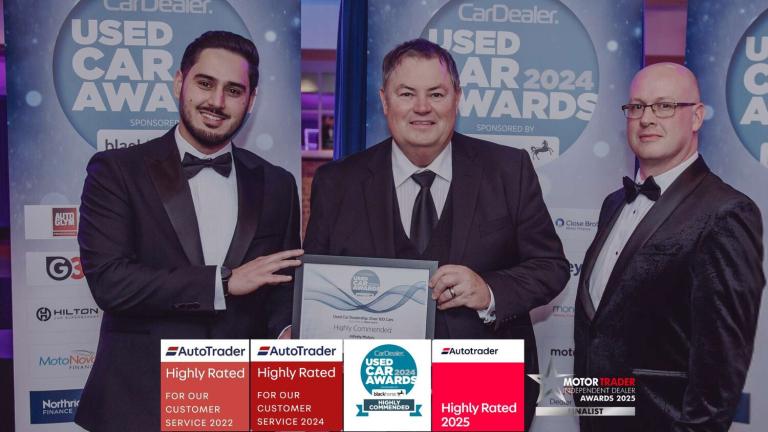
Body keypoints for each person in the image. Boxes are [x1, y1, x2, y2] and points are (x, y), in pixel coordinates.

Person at [303, 38, 570, 430]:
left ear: (457, 98)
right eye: (406, 93)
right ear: (384, 100)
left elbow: (551, 267)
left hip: (485, 387)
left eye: (436, 94)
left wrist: (489, 291)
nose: (422, 107)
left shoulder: (508, 169)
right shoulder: (336, 182)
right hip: (373, 388)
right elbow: (314, 281)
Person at [74, 31, 303, 431]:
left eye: (234, 90)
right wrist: (223, 283)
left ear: (251, 100)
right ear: (180, 82)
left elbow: (282, 286)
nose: (217, 101)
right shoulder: (116, 171)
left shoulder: (278, 184)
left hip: (240, 399)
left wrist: (286, 332)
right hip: (140, 403)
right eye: (205, 83)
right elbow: (110, 282)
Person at [574, 63, 764, 431]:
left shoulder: (726, 211)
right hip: (599, 418)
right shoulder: (613, 204)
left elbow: (721, 365)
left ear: (696, 117)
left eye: (664, 106)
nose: (646, 118)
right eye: (637, 106)